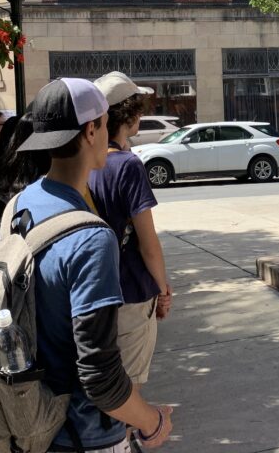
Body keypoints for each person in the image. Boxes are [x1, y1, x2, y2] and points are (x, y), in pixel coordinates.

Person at [14, 78, 173, 452]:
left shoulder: (22, 203)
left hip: (32, 418)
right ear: (91, 130)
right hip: (85, 431)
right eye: (103, 123)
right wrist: (153, 422)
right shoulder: (92, 237)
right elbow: (100, 377)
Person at [90, 72, 172, 391]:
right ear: (132, 116)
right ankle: (124, 441)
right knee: (128, 389)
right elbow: (147, 243)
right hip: (130, 290)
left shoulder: (85, 162)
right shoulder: (127, 165)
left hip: (92, 290)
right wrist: (162, 288)